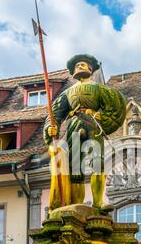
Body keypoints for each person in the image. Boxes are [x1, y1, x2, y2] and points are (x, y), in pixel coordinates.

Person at [44, 54, 126, 214]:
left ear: (91, 68)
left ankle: (98, 203)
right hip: (74, 126)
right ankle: (75, 204)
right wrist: (50, 127)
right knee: (75, 169)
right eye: (77, 65)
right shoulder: (67, 93)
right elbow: (55, 114)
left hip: (92, 124)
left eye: (83, 64)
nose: (80, 66)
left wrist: (101, 117)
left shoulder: (100, 89)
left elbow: (114, 106)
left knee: (97, 163)